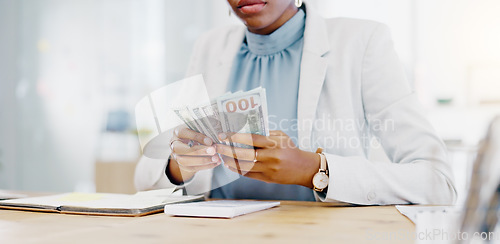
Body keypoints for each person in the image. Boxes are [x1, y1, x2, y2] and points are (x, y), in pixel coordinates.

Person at [134, 0, 457, 205]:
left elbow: (437, 182)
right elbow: (146, 177)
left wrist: (315, 170)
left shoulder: (361, 43)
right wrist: (179, 166)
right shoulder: (209, 46)